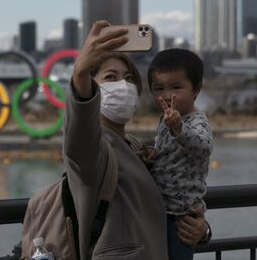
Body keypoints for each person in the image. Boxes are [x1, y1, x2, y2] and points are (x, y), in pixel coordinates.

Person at [63, 20, 210, 260]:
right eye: (111, 77)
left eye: (129, 78)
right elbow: (77, 138)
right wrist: (80, 74)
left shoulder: (135, 148)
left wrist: (201, 230)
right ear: (92, 85)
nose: (123, 85)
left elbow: (169, 198)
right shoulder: (92, 149)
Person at [140, 48, 213, 259]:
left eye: (176, 87)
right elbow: (167, 152)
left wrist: (179, 129)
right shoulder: (165, 120)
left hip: (180, 217)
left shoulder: (196, 121)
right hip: (160, 211)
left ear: (196, 90)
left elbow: (203, 146)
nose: (165, 95)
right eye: (158, 88)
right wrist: (152, 154)